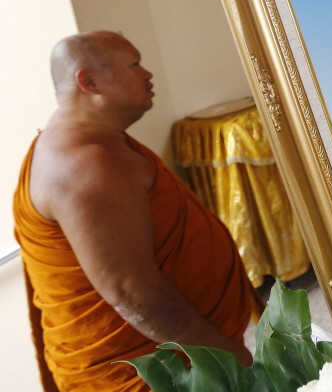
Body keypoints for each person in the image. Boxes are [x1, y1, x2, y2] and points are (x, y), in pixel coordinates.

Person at [13, 31, 255, 391]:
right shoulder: (82, 167)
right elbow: (134, 293)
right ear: (88, 81)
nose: (148, 74)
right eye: (135, 64)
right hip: (145, 371)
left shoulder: (97, 140)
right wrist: (224, 357)